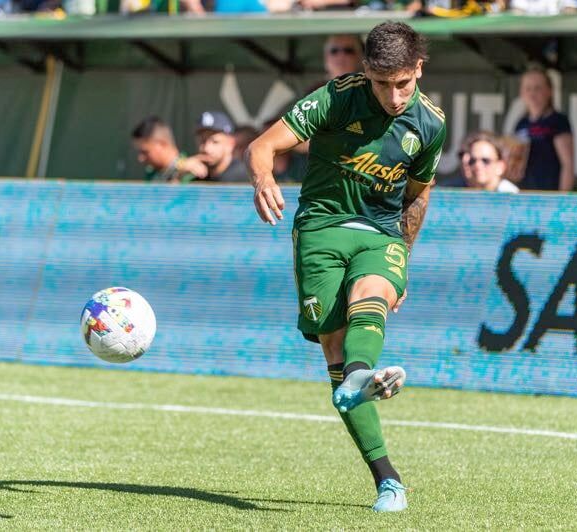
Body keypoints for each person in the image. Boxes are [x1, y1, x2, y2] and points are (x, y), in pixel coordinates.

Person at [245, 21, 446, 513]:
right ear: (366, 72)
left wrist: (404, 257)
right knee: (333, 346)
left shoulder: (431, 125)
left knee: (370, 295)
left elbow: (418, 195)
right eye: (383, 84)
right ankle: (387, 478)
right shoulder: (336, 98)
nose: (395, 96)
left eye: (403, 82)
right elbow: (261, 146)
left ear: (418, 69)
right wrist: (263, 177)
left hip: (381, 233)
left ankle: (360, 377)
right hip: (321, 227)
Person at [513, 67, 575, 191]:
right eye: (528, 88)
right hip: (528, 193)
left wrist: (563, 199)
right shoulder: (521, 124)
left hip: (551, 193)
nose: (532, 93)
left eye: (537, 88)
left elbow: (567, 164)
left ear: (549, 91)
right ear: (522, 92)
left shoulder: (558, 121)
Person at [131, 116, 207, 183]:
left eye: (145, 152)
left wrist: (178, 176)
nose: (141, 158)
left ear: (162, 144)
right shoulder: (152, 173)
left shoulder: (190, 173)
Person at [193, 111, 250, 182]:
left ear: (230, 144)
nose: (206, 149)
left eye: (215, 142)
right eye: (202, 141)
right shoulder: (196, 174)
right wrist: (181, 175)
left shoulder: (242, 175)